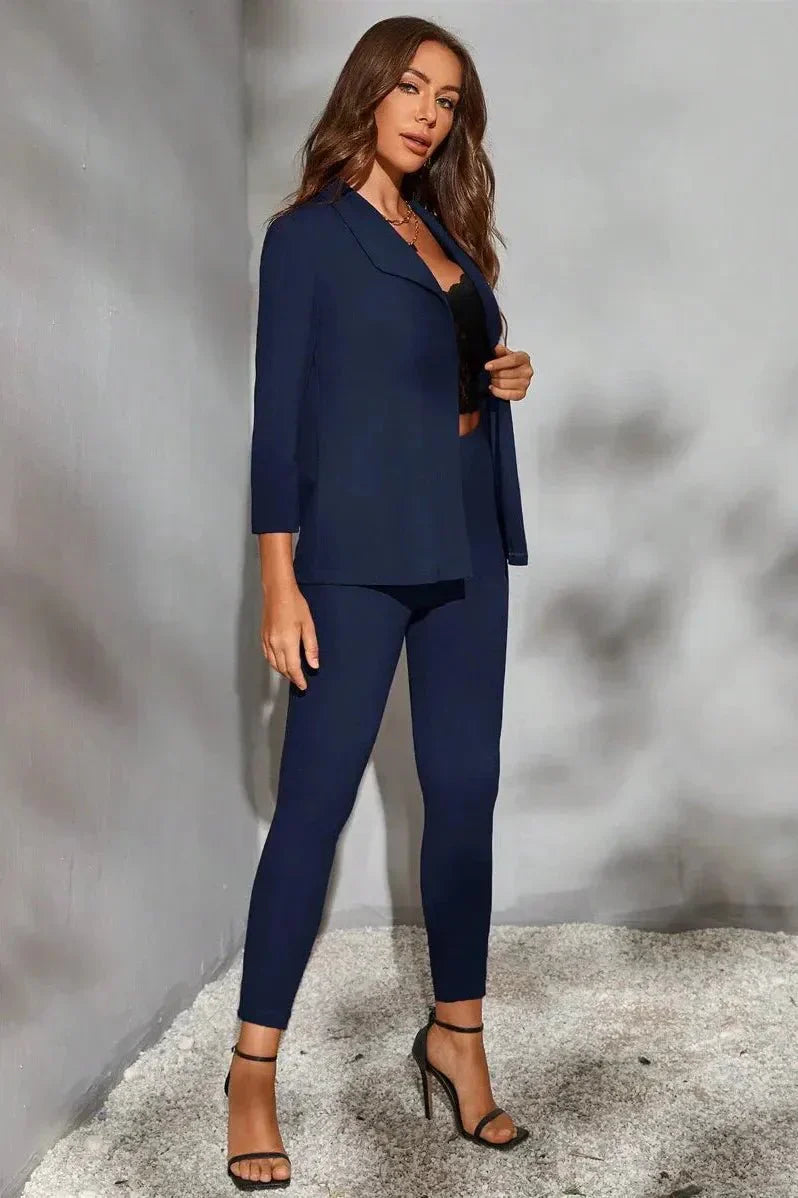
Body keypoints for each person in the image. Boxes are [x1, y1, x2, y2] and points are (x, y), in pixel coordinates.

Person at [224, 15, 535, 1190]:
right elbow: (280, 422)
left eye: (447, 101)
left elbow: (440, 367)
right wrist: (278, 581)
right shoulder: (307, 237)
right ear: (368, 90)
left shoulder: (442, 229)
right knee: (314, 808)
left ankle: (458, 1035)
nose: (428, 114)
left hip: (465, 538)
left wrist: (501, 372)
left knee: (463, 795)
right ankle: (252, 1068)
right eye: (411, 87)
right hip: (353, 554)